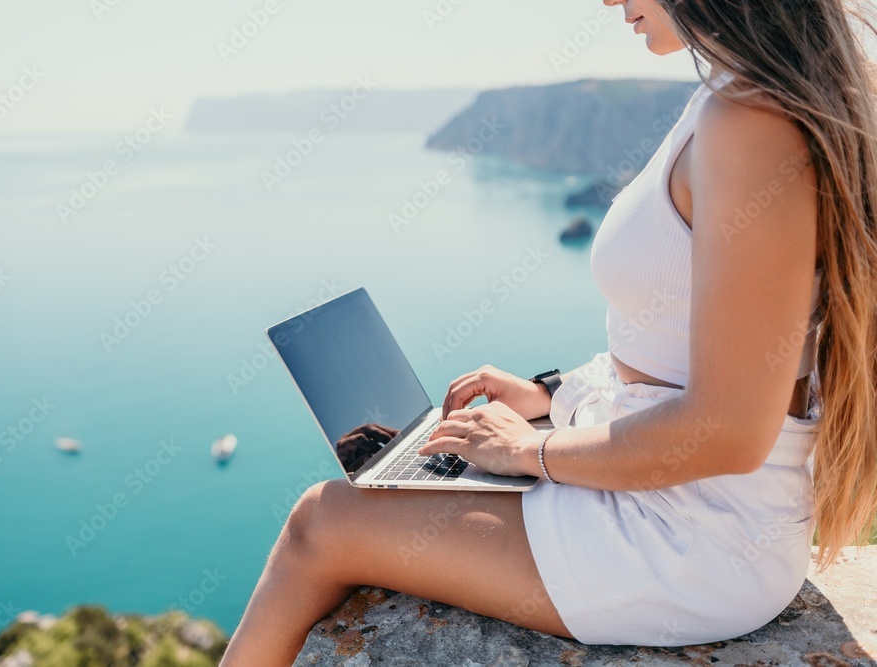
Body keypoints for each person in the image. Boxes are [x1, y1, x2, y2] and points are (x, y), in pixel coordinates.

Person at [221, 0, 877, 663]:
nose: (609, 1)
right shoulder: (738, 100)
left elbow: (728, 429)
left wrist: (531, 451)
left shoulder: (748, 121)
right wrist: (552, 393)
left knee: (320, 522)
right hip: (686, 508)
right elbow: (674, 339)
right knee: (403, 479)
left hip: (688, 542)